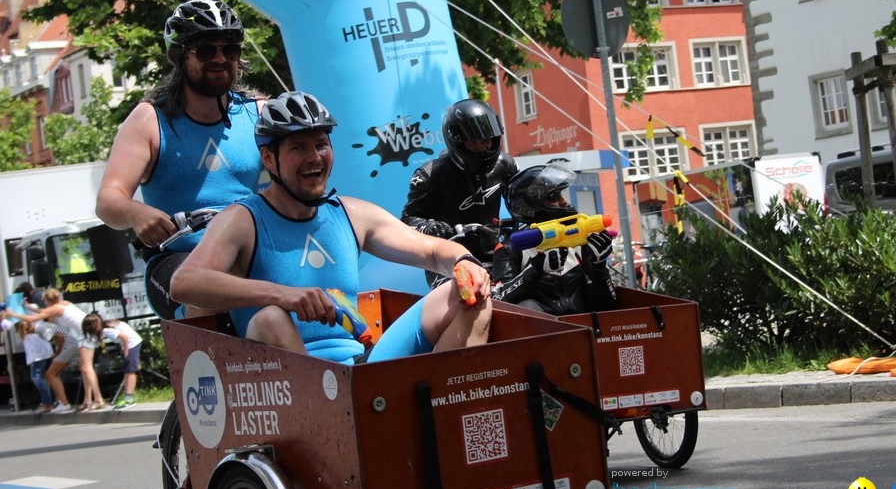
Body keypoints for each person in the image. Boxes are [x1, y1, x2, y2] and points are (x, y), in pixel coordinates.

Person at [171, 91, 491, 363]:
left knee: (467, 293)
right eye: (298, 147)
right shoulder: (242, 220)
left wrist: (463, 262)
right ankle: (326, 425)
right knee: (270, 317)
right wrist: (285, 296)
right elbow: (184, 283)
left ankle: (444, 410)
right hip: (288, 381)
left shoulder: (350, 214)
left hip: (357, 368)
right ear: (269, 158)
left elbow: (432, 250)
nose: (315, 157)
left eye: (321, 144)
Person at [96, 0, 265, 319]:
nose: (220, 58)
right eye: (205, 50)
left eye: (229, 49)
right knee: (210, 293)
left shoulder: (259, 112)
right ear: (180, 56)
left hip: (248, 254)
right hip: (178, 261)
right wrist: (135, 213)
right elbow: (107, 201)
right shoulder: (149, 120)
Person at [401, 99, 518, 285]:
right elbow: (407, 221)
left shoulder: (505, 165)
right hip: (447, 260)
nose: (482, 147)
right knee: (464, 303)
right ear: (457, 141)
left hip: (496, 255)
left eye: (486, 140)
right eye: (473, 142)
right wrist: (438, 228)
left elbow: (521, 202)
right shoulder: (429, 175)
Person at [491, 164, 618, 315]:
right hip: (539, 334)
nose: (564, 202)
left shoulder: (582, 241)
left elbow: (608, 307)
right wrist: (536, 269)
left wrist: (599, 266)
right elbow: (497, 301)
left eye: (561, 195)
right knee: (528, 306)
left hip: (585, 330)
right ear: (531, 206)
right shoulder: (510, 248)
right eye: (554, 197)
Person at [5, 288, 94, 412]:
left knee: (50, 374)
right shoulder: (63, 303)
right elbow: (44, 312)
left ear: (48, 299)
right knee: (76, 370)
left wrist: (12, 314)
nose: (43, 302)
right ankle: (84, 401)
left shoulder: (41, 327)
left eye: (44, 300)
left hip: (74, 341)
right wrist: (28, 307)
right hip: (77, 338)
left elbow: (58, 336)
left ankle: (64, 403)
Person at [82, 313, 143, 409]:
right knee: (128, 372)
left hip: (131, 344)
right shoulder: (107, 325)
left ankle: (129, 399)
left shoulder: (106, 330)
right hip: (133, 343)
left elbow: (125, 337)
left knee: (130, 372)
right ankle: (127, 396)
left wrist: (126, 351)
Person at [14, 319, 56, 412]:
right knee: (47, 378)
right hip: (46, 355)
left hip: (37, 358)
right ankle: (51, 401)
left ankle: (47, 402)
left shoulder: (27, 335)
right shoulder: (36, 330)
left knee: (37, 378)